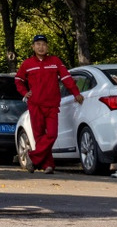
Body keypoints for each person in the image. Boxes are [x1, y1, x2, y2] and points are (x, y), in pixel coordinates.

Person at [14, 34, 84, 174]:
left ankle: (33, 157)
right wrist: (25, 92)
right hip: (35, 105)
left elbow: (66, 78)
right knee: (39, 136)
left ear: (47, 47)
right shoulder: (27, 64)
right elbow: (18, 80)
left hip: (52, 105)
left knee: (52, 134)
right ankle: (48, 165)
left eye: (44, 44)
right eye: (38, 44)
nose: (41, 47)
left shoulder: (55, 61)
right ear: (33, 47)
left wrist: (76, 93)